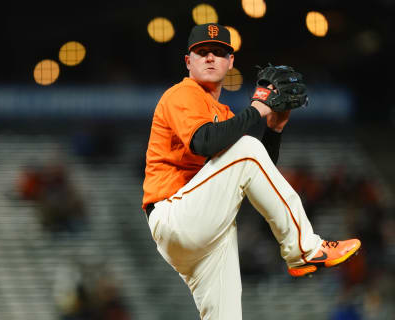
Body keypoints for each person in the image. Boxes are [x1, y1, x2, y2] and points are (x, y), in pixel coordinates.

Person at [141, 23, 361, 319]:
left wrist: (274, 129)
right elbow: (206, 142)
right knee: (245, 147)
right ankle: (305, 249)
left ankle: (302, 249)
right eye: (202, 52)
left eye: (219, 53)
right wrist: (258, 107)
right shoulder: (181, 94)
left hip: (207, 229)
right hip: (175, 215)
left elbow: (257, 171)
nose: (210, 58)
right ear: (188, 61)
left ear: (230, 62)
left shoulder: (225, 115)